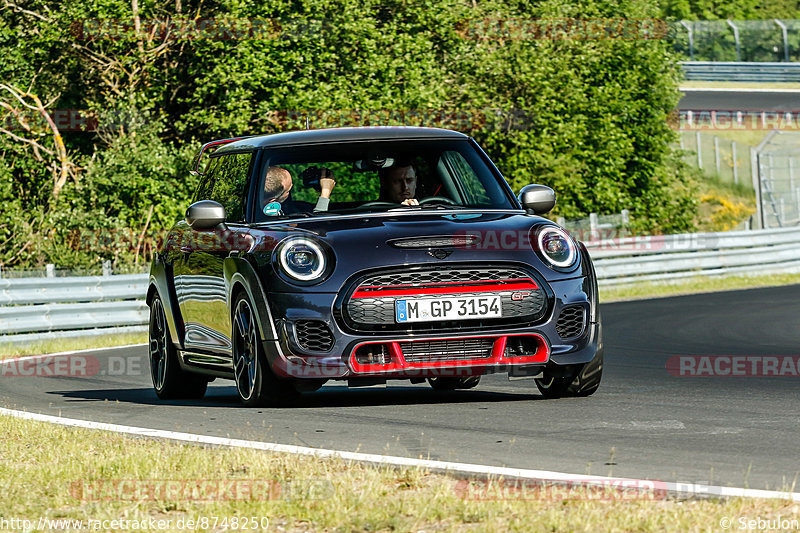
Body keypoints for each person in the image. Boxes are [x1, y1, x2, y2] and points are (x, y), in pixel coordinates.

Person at [262, 166, 335, 215]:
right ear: (273, 201)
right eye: (288, 191)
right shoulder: (271, 219)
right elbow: (318, 223)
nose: (292, 186)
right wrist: (325, 192)